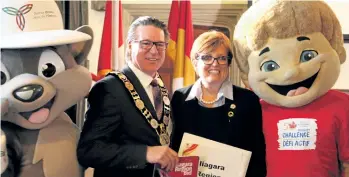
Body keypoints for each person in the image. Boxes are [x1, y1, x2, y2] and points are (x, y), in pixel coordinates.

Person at [233, 1, 349, 177]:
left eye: (308, 55)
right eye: (270, 66)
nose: (290, 73)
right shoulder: (255, 109)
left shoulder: (341, 105)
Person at [77, 16, 179, 177]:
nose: (154, 50)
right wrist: (145, 153)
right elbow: (89, 150)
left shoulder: (158, 85)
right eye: (145, 43)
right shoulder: (109, 88)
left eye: (160, 44)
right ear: (130, 46)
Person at [170, 30, 267, 177]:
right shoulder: (179, 99)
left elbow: (258, 155)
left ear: (228, 63)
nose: (215, 64)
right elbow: (174, 148)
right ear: (195, 62)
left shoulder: (248, 100)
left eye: (221, 58)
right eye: (207, 57)